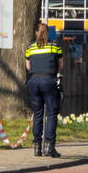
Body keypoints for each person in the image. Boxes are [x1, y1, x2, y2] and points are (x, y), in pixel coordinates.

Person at [25, 23, 64, 158]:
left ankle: (37, 147)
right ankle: (49, 147)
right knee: (51, 114)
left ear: (36, 33)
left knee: (38, 114)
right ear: (48, 33)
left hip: (34, 81)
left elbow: (28, 66)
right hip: (49, 81)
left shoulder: (30, 47)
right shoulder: (54, 46)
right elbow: (61, 65)